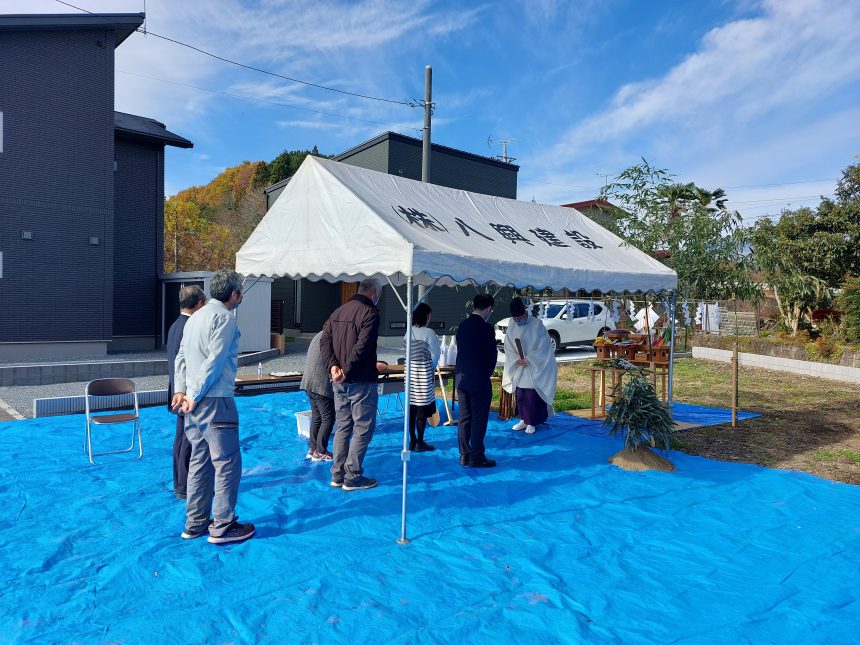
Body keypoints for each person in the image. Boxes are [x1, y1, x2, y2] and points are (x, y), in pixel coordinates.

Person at [173, 270, 255, 545]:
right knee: (227, 463)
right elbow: (215, 361)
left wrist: (181, 392)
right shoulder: (224, 318)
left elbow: (182, 357)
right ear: (233, 295)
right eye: (241, 292)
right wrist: (193, 394)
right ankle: (222, 525)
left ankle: (195, 523)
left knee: (200, 461)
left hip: (193, 403)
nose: (242, 296)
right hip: (215, 399)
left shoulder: (194, 318)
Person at [320, 277, 384, 491]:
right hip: (360, 380)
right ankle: (353, 476)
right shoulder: (370, 314)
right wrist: (345, 369)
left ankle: (337, 474)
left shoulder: (338, 311)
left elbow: (324, 341)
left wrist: (333, 366)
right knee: (363, 428)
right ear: (374, 293)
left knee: (343, 426)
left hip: (339, 380)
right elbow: (362, 347)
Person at [167, 285, 206, 499]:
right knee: (189, 440)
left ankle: (180, 482)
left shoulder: (175, 325)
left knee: (181, 437)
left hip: (177, 390)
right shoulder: (190, 326)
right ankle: (184, 485)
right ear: (199, 303)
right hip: (186, 393)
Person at [455, 293, 498, 467]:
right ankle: (476, 456)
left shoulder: (462, 325)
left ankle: (464, 454)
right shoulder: (486, 328)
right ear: (488, 309)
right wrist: (486, 372)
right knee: (479, 418)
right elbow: (492, 355)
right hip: (479, 378)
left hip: (461, 377)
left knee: (464, 417)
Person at [502, 297, 557, 434]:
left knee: (532, 395)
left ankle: (532, 421)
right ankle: (523, 419)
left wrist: (531, 359)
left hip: (534, 365)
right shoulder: (511, 325)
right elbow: (508, 346)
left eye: (520, 318)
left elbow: (544, 347)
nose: (518, 321)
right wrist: (516, 358)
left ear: (525, 314)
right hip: (519, 365)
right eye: (516, 319)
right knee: (520, 394)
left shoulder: (537, 324)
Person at [406, 302, 441, 452]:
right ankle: (420, 442)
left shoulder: (408, 332)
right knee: (422, 408)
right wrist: (431, 367)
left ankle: (412, 440)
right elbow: (437, 354)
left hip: (410, 374)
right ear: (426, 316)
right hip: (423, 373)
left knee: (412, 408)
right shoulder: (429, 332)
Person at [300, 323, 335, 462]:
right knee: (328, 418)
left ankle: (312, 448)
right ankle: (321, 451)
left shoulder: (318, 335)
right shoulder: (330, 339)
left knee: (317, 417)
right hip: (320, 385)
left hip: (308, 383)